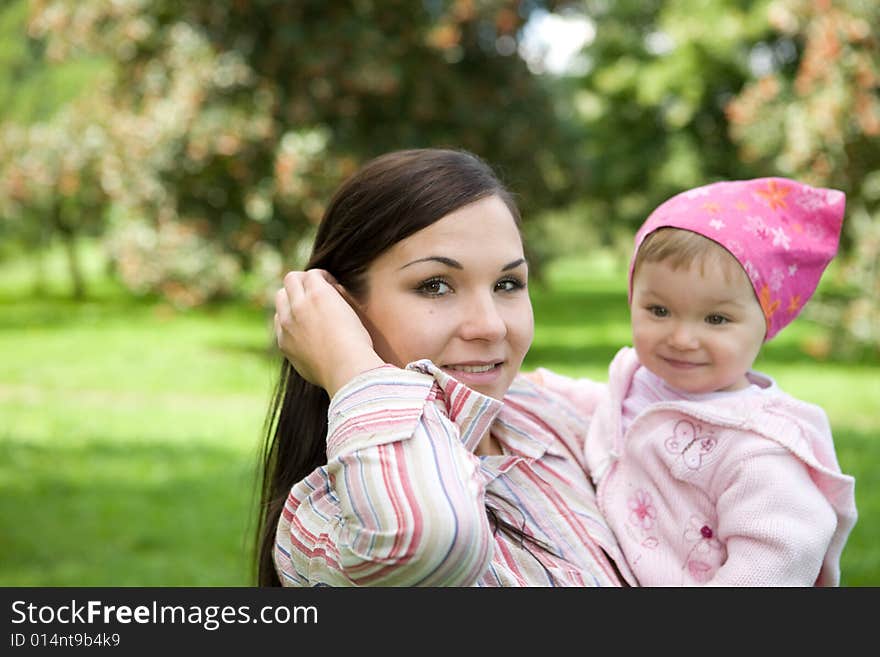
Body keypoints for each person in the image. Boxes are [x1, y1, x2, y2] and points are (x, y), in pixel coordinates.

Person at [255, 147, 635, 586]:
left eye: (507, 283)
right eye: (435, 286)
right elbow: (431, 541)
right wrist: (349, 368)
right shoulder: (332, 520)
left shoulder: (552, 417)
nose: (490, 326)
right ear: (342, 308)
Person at [532, 177, 858, 586]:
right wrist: (546, 385)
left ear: (766, 324)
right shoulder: (640, 376)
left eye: (716, 319)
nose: (682, 339)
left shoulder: (756, 449)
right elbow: (611, 403)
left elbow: (780, 554)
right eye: (659, 310)